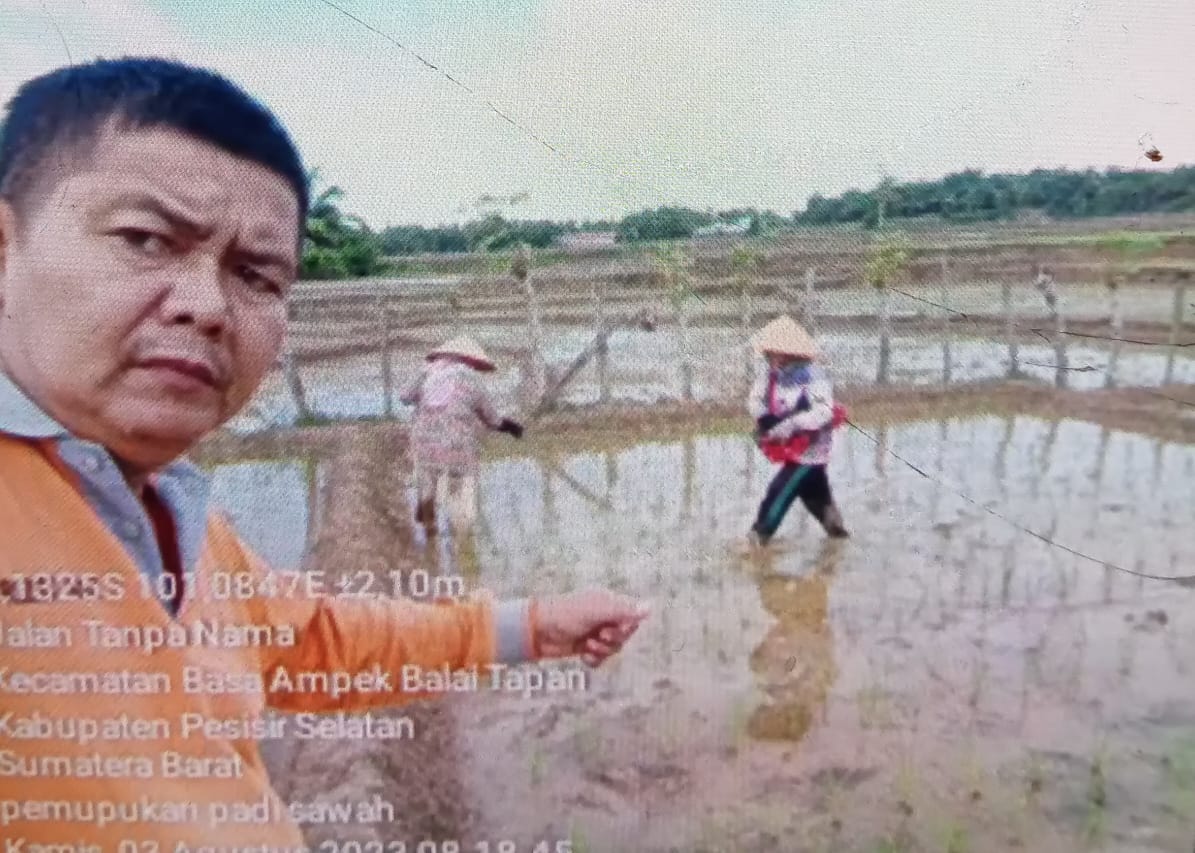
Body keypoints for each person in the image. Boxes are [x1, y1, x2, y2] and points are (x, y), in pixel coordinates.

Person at [0, 57, 646, 848]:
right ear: (5, 249)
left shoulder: (177, 512)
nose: (206, 306)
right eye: (145, 238)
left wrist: (532, 627)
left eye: (257, 275)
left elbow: (310, 641)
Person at [400, 335, 523, 536]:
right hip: (458, 447)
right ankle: (461, 530)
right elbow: (491, 419)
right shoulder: (472, 378)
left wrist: (424, 381)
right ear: (470, 360)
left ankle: (428, 516)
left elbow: (405, 397)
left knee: (427, 475)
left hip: (424, 442)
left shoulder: (427, 371)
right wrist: (511, 427)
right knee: (462, 483)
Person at [747, 315, 849, 545]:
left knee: (780, 491)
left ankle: (759, 536)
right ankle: (839, 538)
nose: (770, 357)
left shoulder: (814, 377)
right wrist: (765, 418)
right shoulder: (770, 375)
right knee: (815, 494)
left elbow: (824, 411)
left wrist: (793, 423)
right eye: (769, 353)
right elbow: (755, 400)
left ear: (788, 352)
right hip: (788, 444)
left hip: (812, 448)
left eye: (774, 352)